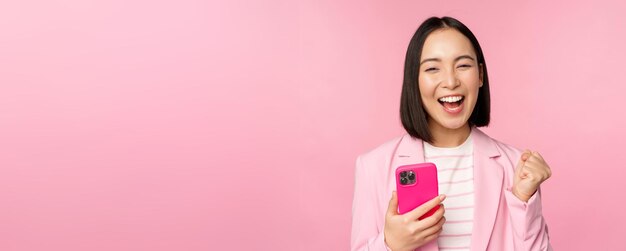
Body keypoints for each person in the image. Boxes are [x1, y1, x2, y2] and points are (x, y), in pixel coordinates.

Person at [351, 16, 553, 251]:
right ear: (414, 80)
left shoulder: (516, 167)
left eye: (463, 65)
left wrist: (523, 200)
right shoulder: (373, 166)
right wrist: (390, 245)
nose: (450, 81)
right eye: (433, 68)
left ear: (479, 75)